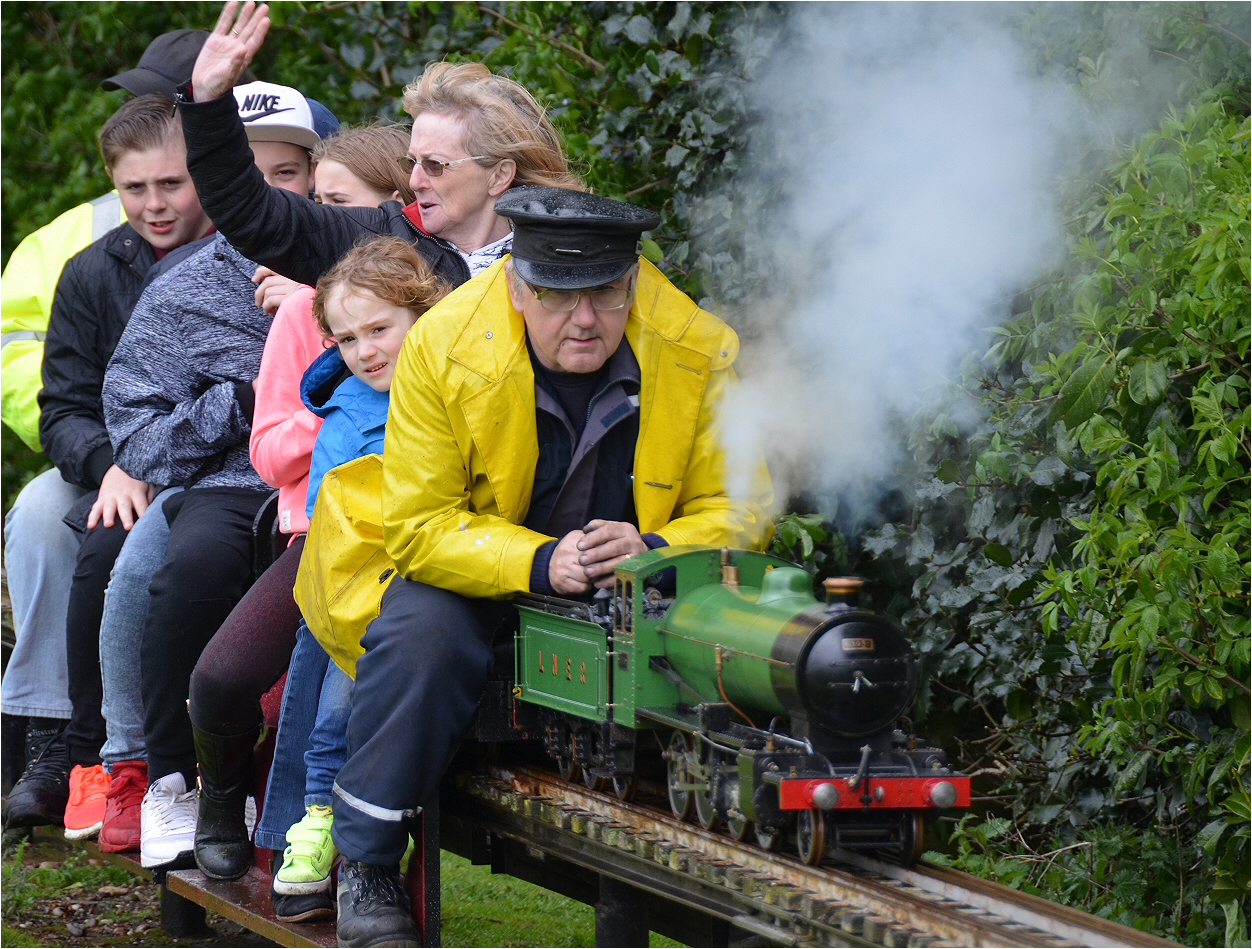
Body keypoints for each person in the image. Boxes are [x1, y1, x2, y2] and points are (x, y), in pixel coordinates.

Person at [296, 186, 772, 947]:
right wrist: (541, 560)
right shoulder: (443, 343)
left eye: (606, 294)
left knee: (748, 631)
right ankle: (369, 860)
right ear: (517, 287)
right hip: (483, 567)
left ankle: (750, 875)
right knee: (422, 634)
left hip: (633, 577)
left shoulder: (697, 344)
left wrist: (655, 551)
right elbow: (417, 527)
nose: (584, 319)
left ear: (633, 281)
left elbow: (742, 507)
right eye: (556, 296)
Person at [87, 87, 340, 857]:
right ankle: (173, 780)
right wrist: (236, 405)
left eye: (287, 173)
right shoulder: (183, 291)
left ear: (318, 177)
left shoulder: (368, 263)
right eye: (248, 174)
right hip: (237, 482)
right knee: (187, 567)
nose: (268, 192)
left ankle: (289, 797)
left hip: (351, 484)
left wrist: (317, 306)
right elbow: (138, 435)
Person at [183, 126, 420, 884]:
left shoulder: (431, 315)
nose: (316, 218)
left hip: (403, 542)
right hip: (317, 533)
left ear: (392, 208)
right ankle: (222, 799)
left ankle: (321, 851)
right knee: (222, 678)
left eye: (336, 203)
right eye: (315, 201)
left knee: (319, 699)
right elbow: (269, 452)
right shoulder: (307, 314)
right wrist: (345, 414)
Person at [0, 28, 218, 828]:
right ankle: (56, 739)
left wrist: (151, 460)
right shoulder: (89, 266)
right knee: (46, 517)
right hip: (110, 461)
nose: (154, 204)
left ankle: (115, 749)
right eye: (134, 189)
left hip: (209, 462)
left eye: (171, 185)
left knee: (117, 545)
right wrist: (110, 464)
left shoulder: (246, 249)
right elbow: (61, 403)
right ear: (113, 184)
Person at [260, 237, 447, 922]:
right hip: (355, 577)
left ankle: (332, 821)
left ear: (422, 315)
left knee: (350, 681)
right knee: (324, 667)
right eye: (346, 338)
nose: (365, 351)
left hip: (429, 573)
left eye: (378, 330)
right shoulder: (345, 410)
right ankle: (315, 815)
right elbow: (327, 519)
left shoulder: (453, 386)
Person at [178, 1, 580, 290]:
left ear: (500, 175)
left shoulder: (572, 250)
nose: (416, 181)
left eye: (436, 165)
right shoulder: (380, 241)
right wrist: (208, 103)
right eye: (413, 162)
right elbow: (250, 213)